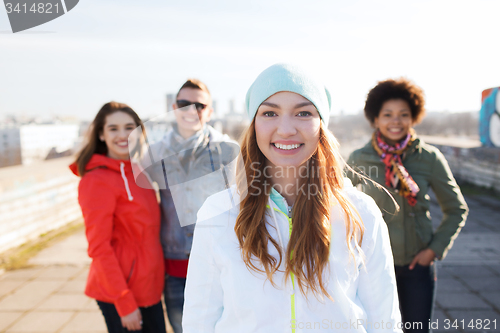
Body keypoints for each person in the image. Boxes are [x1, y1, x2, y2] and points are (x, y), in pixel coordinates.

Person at [182, 64, 402, 333]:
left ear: (321, 125)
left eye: (303, 113)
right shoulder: (218, 212)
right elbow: (199, 319)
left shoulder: (360, 212)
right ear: (253, 124)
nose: (286, 129)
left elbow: (385, 321)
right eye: (270, 113)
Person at [346, 78, 469, 333]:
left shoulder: (429, 158)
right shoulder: (360, 158)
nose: (396, 121)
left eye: (403, 114)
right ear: (375, 119)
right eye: (387, 114)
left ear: (413, 117)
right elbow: (339, 204)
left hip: (417, 267)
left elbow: (456, 209)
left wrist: (433, 251)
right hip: (372, 267)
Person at [144, 79, 237, 333]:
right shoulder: (155, 153)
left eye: (199, 105)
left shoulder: (227, 151)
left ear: (209, 111)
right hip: (176, 265)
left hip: (220, 261)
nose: (191, 110)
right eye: (184, 104)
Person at [70, 102, 166, 333]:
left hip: (150, 288)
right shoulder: (96, 181)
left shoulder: (138, 171)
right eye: (113, 129)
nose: (123, 135)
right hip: (121, 293)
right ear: (101, 134)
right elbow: (98, 247)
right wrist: (124, 301)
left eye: (129, 127)